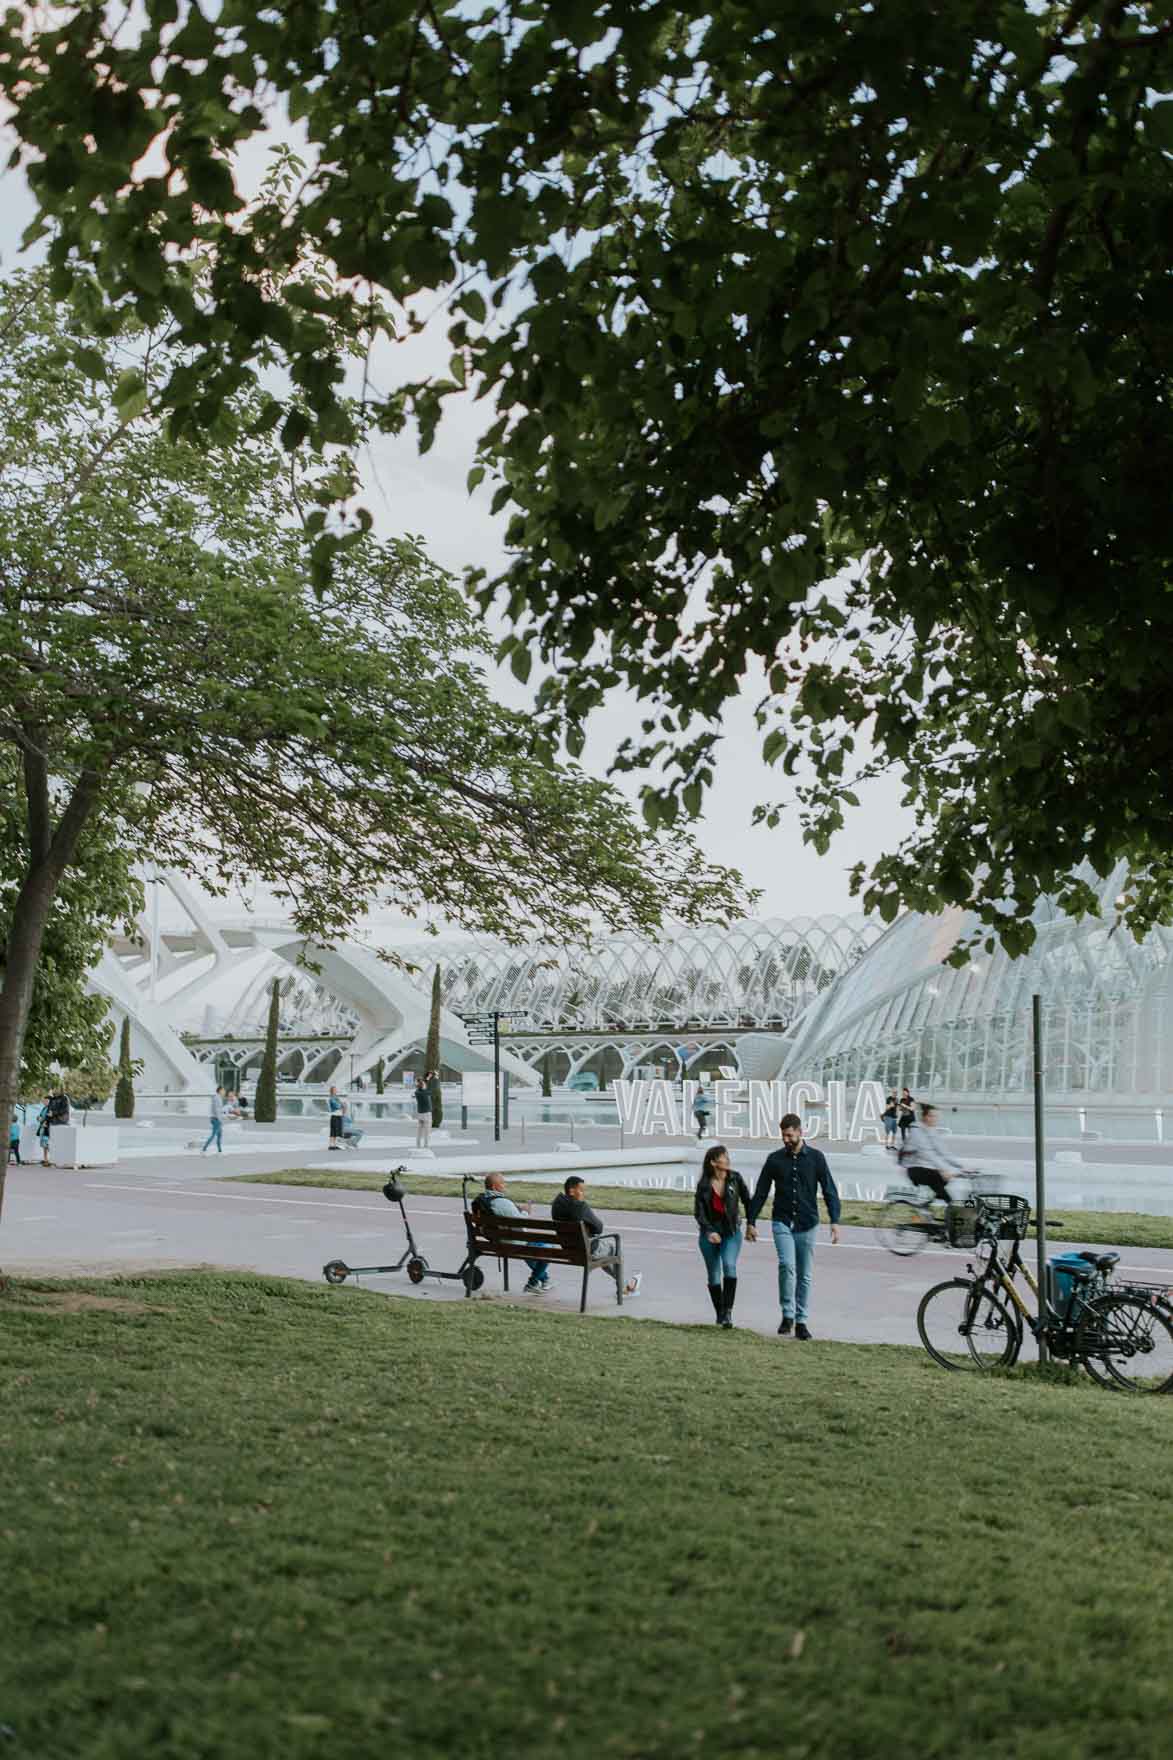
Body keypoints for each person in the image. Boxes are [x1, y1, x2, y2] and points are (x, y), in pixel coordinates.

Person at [747, 1112, 841, 1341]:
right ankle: (787, 1314)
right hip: (782, 1221)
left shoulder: (816, 1158)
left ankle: (801, 1321)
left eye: (790, 1135)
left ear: (800, 1132)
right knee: (786, 1266)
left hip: (807, 1223)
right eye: (783, 1136)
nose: (786, 1140)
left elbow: (829, 1190)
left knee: (804, 1275)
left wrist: (835, 1221)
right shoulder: (774, 1159)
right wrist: (751, 1220)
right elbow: (760, 1192)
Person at [551, 1175, 642, 1297]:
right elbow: (599, 1228)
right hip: (586, 1250)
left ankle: (626, 1287)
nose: (583, 1193)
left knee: (605, 1256)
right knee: (615, 1250)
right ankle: (623, 1289)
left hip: (568, 1250)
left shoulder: (556, 1204)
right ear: (572, 1191)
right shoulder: (580, 1207)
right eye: (581, 1190)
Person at [694, 1144, 753, 1328]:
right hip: (709, 1234)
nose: (727, 1160)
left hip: (731, 1232)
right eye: (723, 1157)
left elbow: (747, 1201)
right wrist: (709, 1231)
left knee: (729, 1265)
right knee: (713, 1275)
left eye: (727, 1156)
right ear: (713, 1162)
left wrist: (752, 1224)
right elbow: (699, 1213)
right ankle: (719, 1313)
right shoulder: (704, 1185)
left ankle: (727, 1312)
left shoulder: (735, 1178)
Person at [474, 1172, 551, 1293]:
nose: (505, 1185)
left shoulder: (481, 1201)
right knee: (548, 1248)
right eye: (502, 1183)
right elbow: (521, 1222)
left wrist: (515, 1209)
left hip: (495, 1242)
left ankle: (544, 1279)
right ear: (494, 1187)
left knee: (530, 1248)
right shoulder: (503, 1203)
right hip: (511, 1243)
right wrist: (526, 1211)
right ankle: (533, 1282)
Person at [901, 1102, 969, 1204]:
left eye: (936, 1116)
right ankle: (948, 1205)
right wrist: (943, 1169)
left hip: (926, 1167)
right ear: (924, 1117)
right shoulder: (916, 1130)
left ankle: (929, 1205)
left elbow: (943, 1151)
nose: (934, 1119)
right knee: (941, 1183)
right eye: (931, 1116)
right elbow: (927, 1153)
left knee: (945, 1179)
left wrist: (962, 1167)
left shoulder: (931, 1130)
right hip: (914, 1169)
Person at [202, 1086, 226, 1154]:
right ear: (220, 1091)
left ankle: (219, 1151)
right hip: (216, 1119)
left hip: (216, 1118)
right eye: (223, 1090)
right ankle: (204, 1149)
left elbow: (219, 1109)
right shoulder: (216, 1098)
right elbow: (216, 1109)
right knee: (213, 1135)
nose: (224, 1092)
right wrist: (220, 1119)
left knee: (219, 1135)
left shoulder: (219, 1098)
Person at [414, 1075, 432, 1148]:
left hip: (420, 1114)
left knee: (419, 1130)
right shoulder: (425, 1092)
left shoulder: (417, 1092)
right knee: (427, 1131)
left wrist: (427, 1078)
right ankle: (426, 1145)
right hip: (426, 1114)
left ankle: (418, 1144)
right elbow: (430, 1091)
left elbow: (423, 1085)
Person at [327, 1084, 345, 1151]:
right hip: (335, 1116)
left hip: (338, 1116)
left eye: (336, 1089)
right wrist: (342, 1105)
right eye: (334, 1090)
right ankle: (333, 1145)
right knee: (334, 1131)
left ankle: (333, 1145)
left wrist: (342, 1105)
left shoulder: (336, 1098)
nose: (336, 1091)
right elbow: (337, 1106)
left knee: (335, 1131)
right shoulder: (332, 1098)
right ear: (332, 1091)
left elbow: (342, 1105)